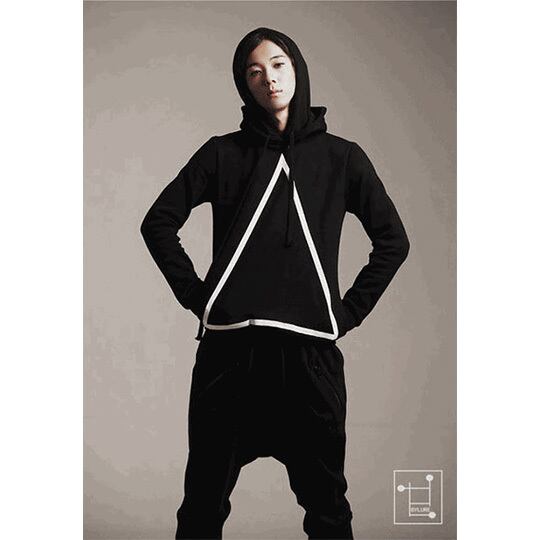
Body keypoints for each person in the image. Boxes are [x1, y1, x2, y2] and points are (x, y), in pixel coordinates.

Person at [140, 27, 410, 540]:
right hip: (230, 359)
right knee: (201, 509)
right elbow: (158, 223)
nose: (269, 79)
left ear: (298, 68)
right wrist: (198, 297)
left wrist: (347, 312)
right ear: (244, 85)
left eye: (279, 64)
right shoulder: (222, 153)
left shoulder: (342, 157)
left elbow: (393, 241)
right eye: (255, 71)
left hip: (309, 361)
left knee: (328, 512)